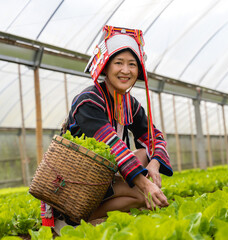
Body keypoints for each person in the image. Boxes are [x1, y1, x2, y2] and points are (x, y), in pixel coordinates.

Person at [41, 26, 173, 231]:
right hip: (74, 189)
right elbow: (112, 145)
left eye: (132, 64)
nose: (125, 70)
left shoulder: (130, 104)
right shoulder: (88, 101)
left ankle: (102, 221)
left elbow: (154, 137)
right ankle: (73, 224)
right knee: (142, 193)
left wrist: (155, 165)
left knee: (144, 157)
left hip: (104, 182)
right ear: (105, 66)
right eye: (118, 63)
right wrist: (146, 184)